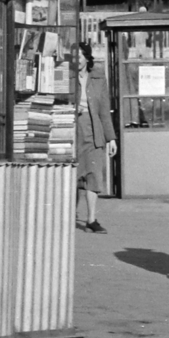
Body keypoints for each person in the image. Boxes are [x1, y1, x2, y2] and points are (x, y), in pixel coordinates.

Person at [75, 41, 117, 233]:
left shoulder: (99, 78)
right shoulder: (65, 77)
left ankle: (91, 219)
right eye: (73, 56)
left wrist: (111, 138)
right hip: (73, 129)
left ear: (87, 58)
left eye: (80, 56)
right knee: (74, 174)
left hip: (94, 130)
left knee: (94, 174)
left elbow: (104, 111)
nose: (76, 60)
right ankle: (69, 214)